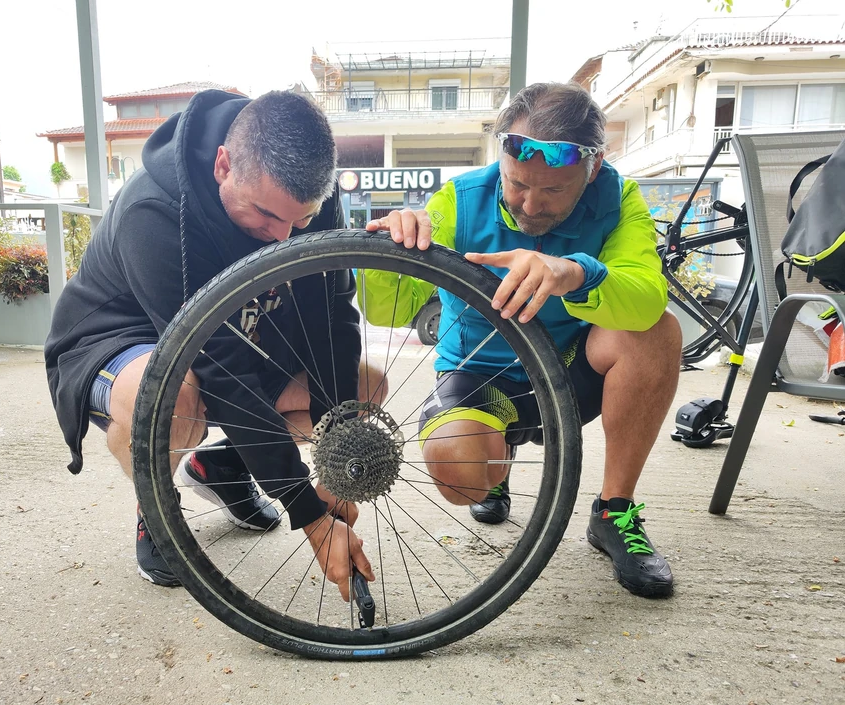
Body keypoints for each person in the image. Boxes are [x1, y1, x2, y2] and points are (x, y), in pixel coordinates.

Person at [45, 89, 375, 599]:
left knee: (365, 384)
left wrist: (338, 454)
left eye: (301, 221)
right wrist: (309, 514)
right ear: (223, 164)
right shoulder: (152, 212)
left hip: (241, 333)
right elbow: (220, 367)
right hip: (122, 340)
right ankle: (155, 507)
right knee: (176, 394)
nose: (282, 237)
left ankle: (223, 467)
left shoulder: (308, 195)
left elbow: (332, 318)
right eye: (266, 215)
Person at [361, 82, 681, 598]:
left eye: (553, 191)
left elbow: (646, 295)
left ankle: (613, 512)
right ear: (501, 163)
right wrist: (387, 251)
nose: (530, 204)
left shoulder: (617, 198)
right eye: (516, 184)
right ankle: (498, 461)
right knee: (464, 478)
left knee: (656, 332)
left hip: (568, 373)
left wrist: (576, 272)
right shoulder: (460, 199)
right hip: (477, 376)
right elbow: (385, 309)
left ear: (592, 168)